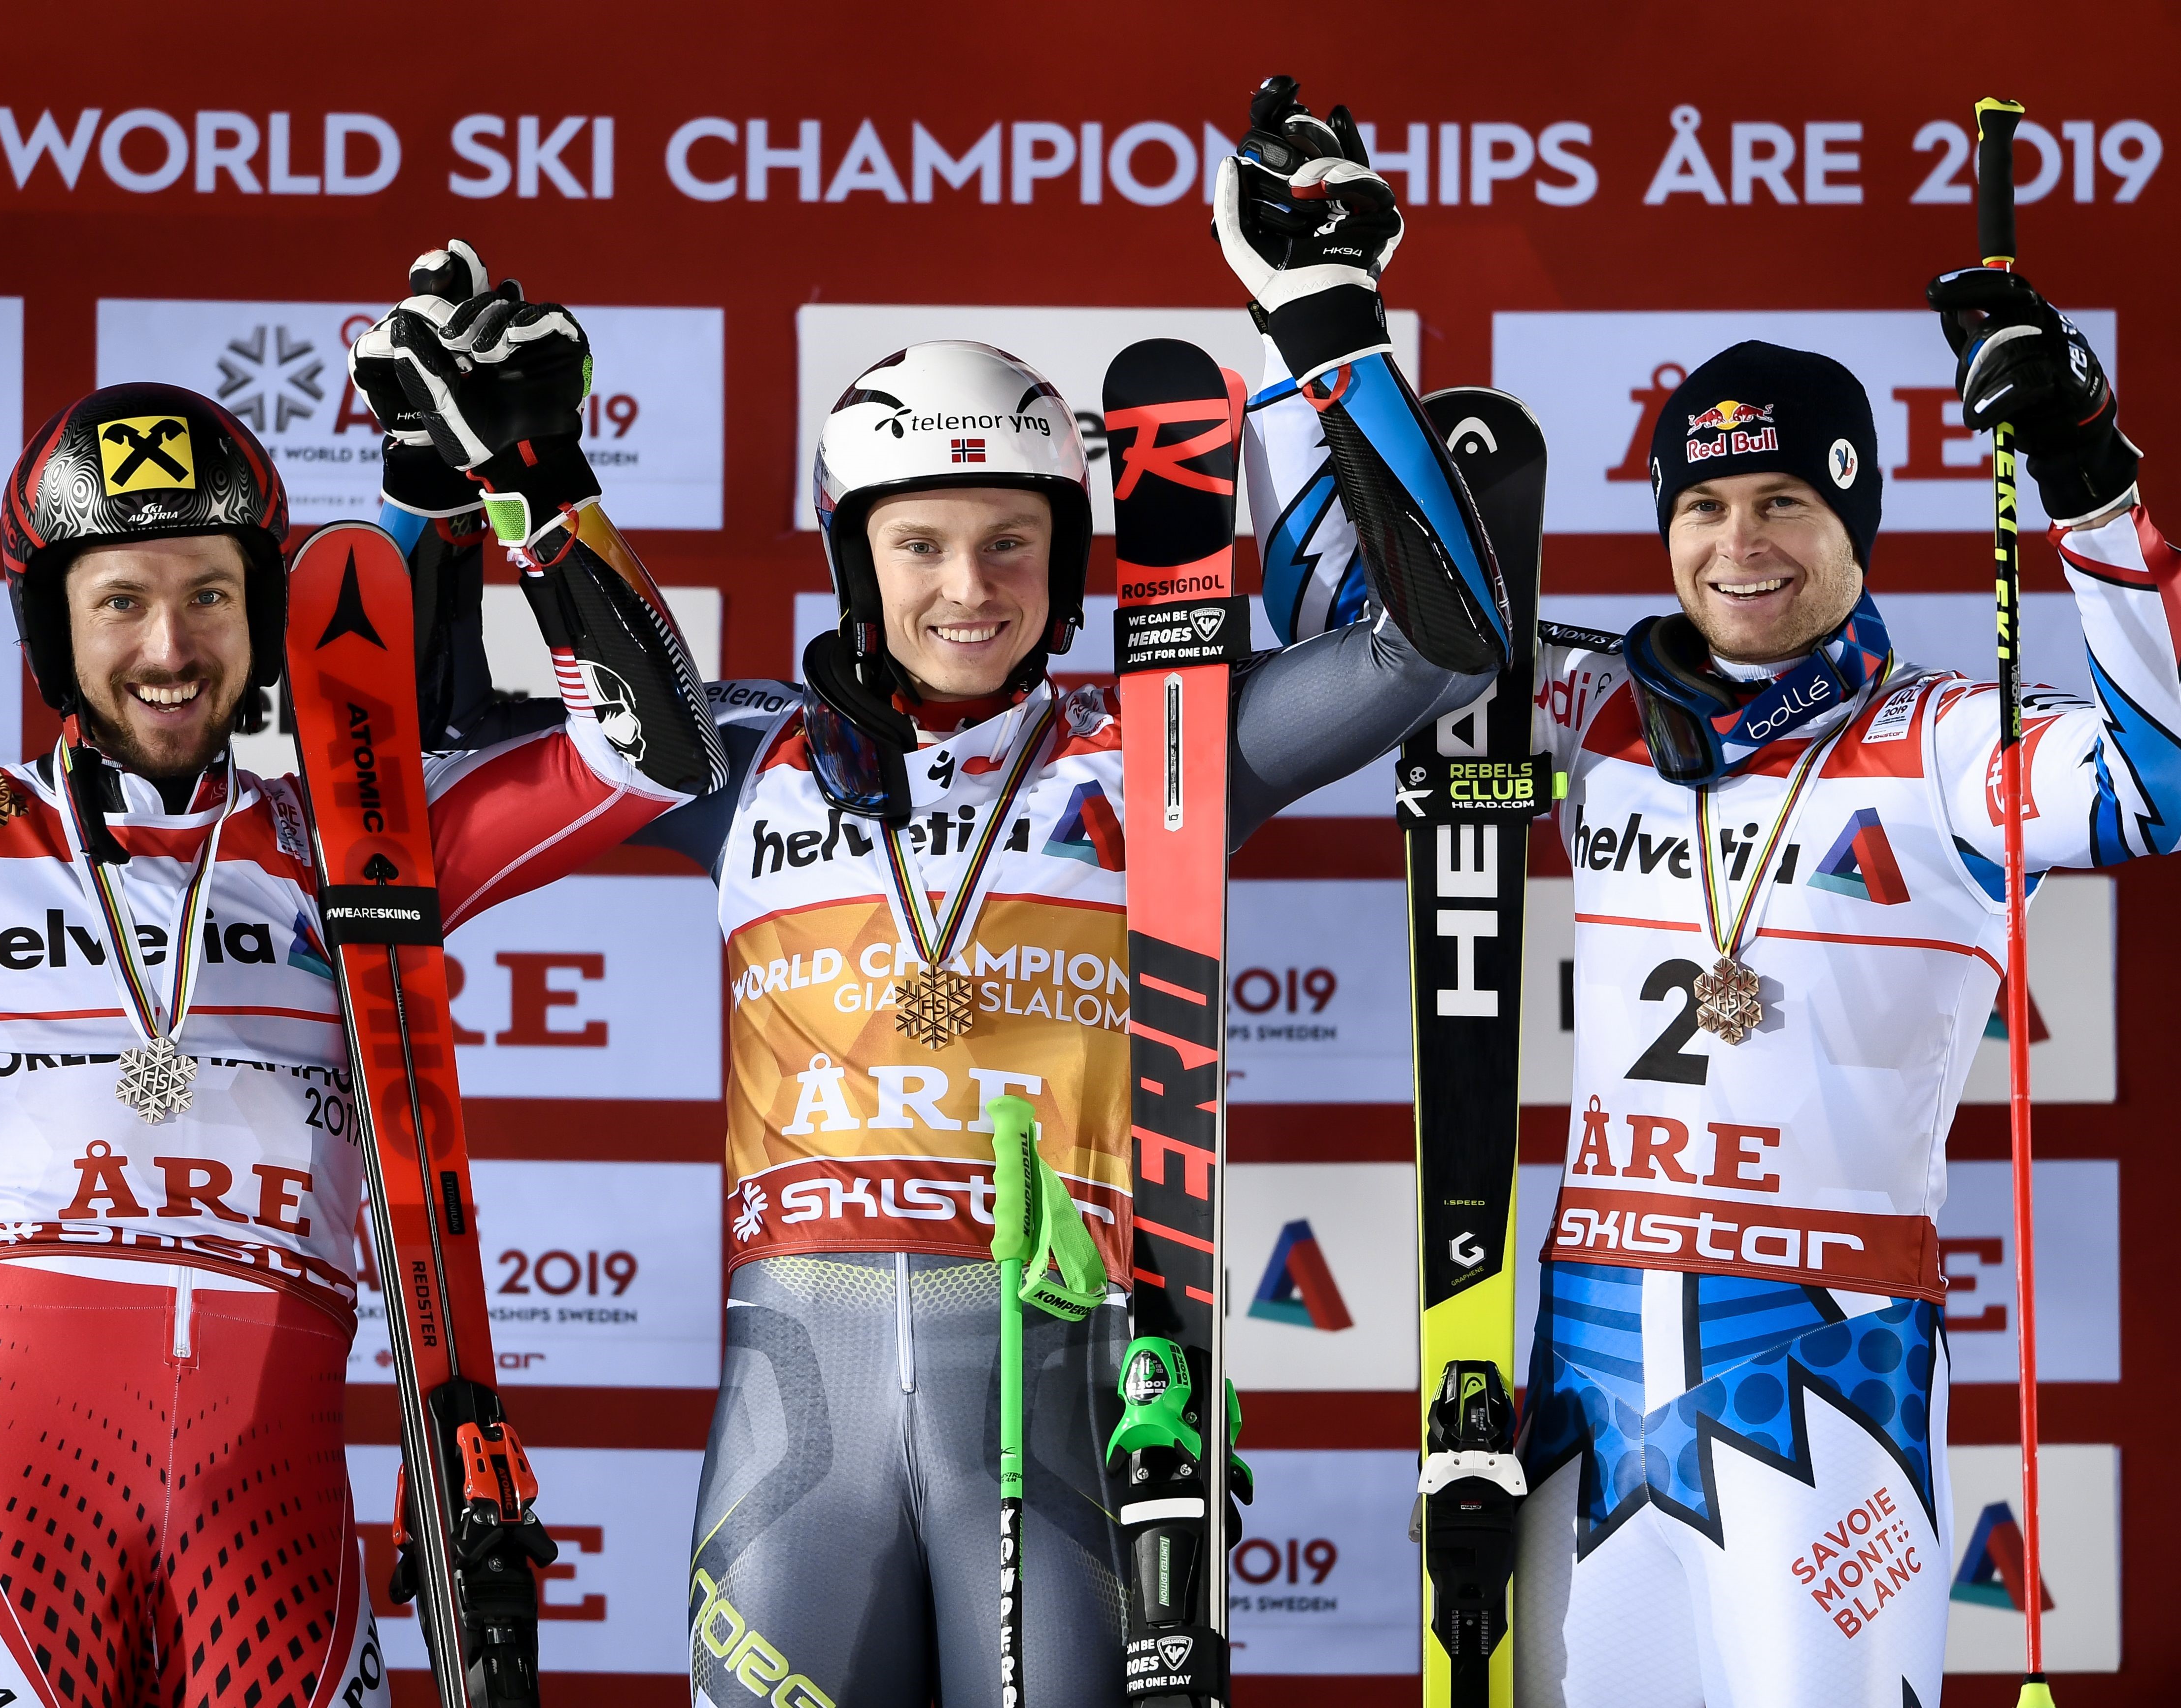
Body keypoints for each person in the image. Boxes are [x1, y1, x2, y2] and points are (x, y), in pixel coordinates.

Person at [349, 78, 1510, 1708]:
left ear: (1067, 560)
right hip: (790, 1417)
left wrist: (1324, 322)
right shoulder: (737, 753)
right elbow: (405, 748)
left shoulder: (1161, 743)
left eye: (1012, 544)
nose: (968, 588)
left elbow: (1440, 638)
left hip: (1073, 1403)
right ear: (853, 560)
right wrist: (437, 475)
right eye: (921, 546)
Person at [0, 300, 722, 1703]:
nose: (170, 646)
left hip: (273, 1486)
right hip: (17, 1469)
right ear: (51, 623)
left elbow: (658, 753)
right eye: (120, 599)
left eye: (211, 594)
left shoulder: (357, 834)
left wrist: (534, 481)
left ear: (263, 611)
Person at [1251, 246, 2175, 1700]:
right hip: (1581, 1380)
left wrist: (2082, 470)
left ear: (1854, 520)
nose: (1738, 542)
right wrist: (1314, 318)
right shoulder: (1592, 705)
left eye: (1783, 503)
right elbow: (1351, 630)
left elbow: (2156, 778)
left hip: (1823, 1368)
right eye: (1702, 505)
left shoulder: (1945, 743)